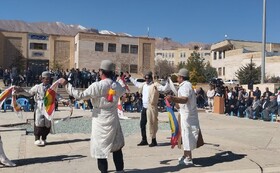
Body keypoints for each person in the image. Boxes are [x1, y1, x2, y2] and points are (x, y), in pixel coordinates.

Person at [60, 60, 126, 173]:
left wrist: (67, 84)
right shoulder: (117, 86)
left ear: (101, 72)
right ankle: (120, 170)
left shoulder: (97, 86)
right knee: (116, 147)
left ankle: (103, 171)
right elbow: (123, 90)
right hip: (113, 118)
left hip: (99, 119)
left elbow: (80, 95)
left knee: (100, 148)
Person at [165, 68, 203, 166]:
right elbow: (180, 103)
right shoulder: (184, 86)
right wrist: (174, 100)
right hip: (184, 114)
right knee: (184, 137)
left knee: (188, 136)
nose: (177, 78)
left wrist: (172, 98)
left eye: (178, 76)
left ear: (181, 77)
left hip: (188, 116)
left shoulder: (186, 86)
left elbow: (185, 99)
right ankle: (185, 155)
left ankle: (189, 158)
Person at [129, 71, 170, 147]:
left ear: (151, 78)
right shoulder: (144, 85)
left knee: (152, 124)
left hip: (152, 107)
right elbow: (136, 84)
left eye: (148, 78)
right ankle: (144, 140)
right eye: (145, 78)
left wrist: (167, 81)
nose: (146, 79)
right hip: (144, 107)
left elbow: (164, 89)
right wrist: (130, 77)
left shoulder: (155, 85)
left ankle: (154, 140)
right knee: (142, 124)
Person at [14, 71, 52, 146]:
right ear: (42, 79)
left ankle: (44, 138)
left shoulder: (51, 87)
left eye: (48, 79)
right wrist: (21, 91)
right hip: (39, 106)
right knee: (38, 122)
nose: (47, 80)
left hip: (48, 107)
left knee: (47, 123)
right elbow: (29, 93)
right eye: (45, 79)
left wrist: (64, 101)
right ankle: (37, 138)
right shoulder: (37, 87)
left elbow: (57, 95)